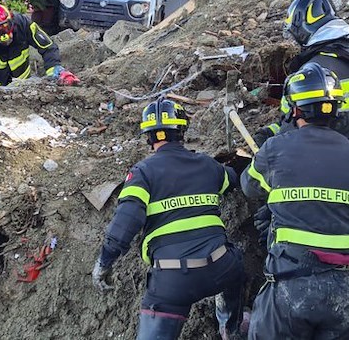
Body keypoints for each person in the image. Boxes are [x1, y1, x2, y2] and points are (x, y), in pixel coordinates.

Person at [92, 97, 248, 340]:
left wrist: (103, 263)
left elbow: (125, 223)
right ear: (182, 131)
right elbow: (232, 180)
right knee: (236, 265)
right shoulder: (207, 165)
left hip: (172, 281)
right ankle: (230, 328)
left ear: (149, 136)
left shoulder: (142, 172)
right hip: (220, 268)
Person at [242, 62, 349, 339]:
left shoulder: (277, 147)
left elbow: (250, 187)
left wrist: (268, 143)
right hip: (345, 292)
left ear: (294, 108)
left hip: (292, 285)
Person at [254, 0, 349, 157]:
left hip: (325, 163)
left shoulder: (313, 74)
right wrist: (272, 129)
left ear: (302, 28)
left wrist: (270, 138)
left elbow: (295, 128)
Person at [0, 3, 80, 86]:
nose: (3, 35)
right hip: (0, 91)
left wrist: (54, 69)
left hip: (25, 84)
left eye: (5, 27)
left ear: (11, 20)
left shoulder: (23, 24)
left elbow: (47, 47)